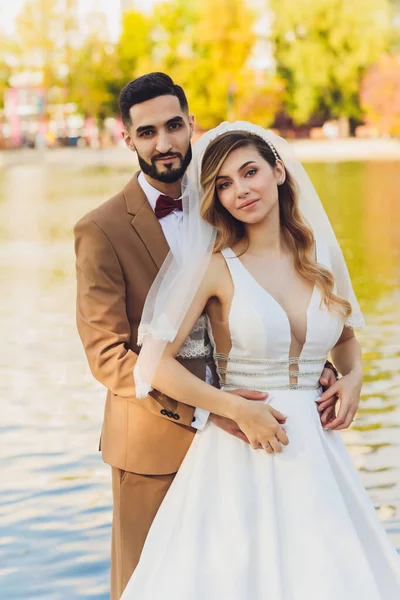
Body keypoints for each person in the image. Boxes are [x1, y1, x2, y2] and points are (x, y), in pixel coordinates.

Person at [74, 73, 337, 599]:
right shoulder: (100, 229)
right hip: (154, 449)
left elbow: (273, 294)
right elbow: (107, 356)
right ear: (128, 139)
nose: (165, 143)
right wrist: (209, 409)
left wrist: (313, 365)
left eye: (173, 126)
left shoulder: (228, 201)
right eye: (147, 133)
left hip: (252, 442)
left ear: (191, 123)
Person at [120, 122, 400, 599]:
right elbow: (154, 365)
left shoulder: (318, 257)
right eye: (224, 184)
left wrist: (353, 378)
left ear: (278, 171)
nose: (240, 191)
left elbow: (346, 338)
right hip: (243, 450)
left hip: (318, 451)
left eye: (249, 172)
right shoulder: (216, 266)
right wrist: (234, 408)